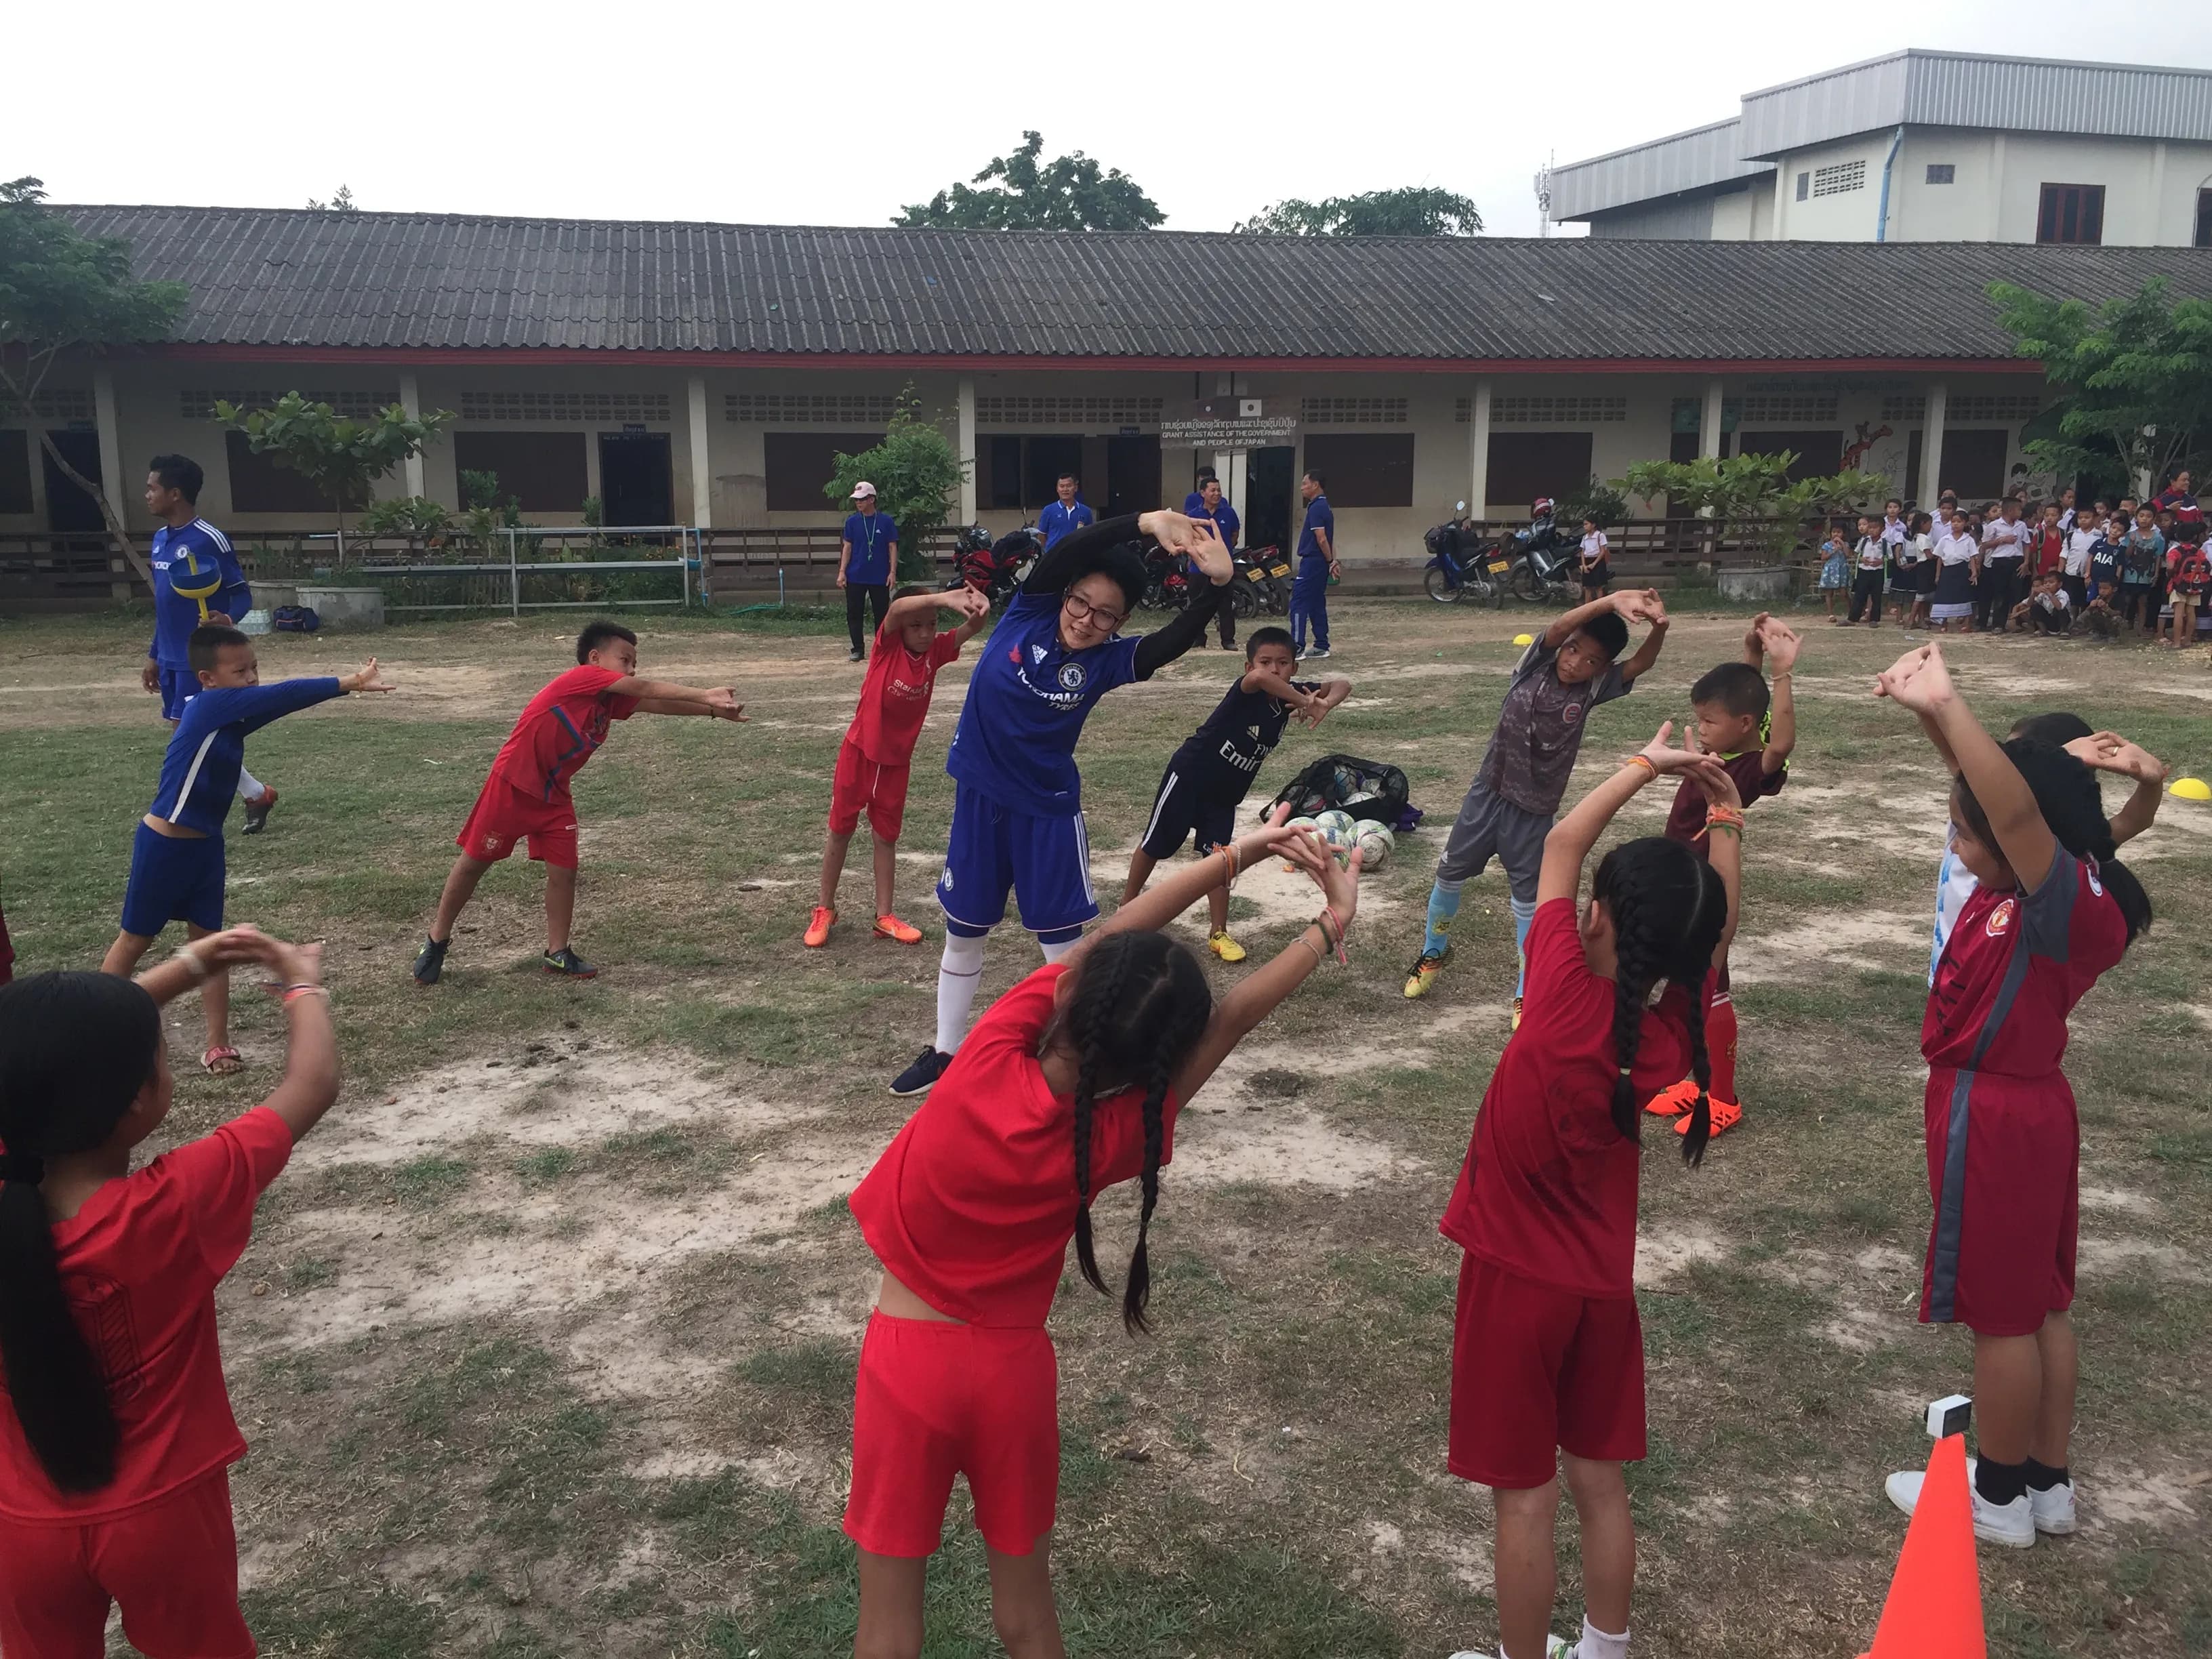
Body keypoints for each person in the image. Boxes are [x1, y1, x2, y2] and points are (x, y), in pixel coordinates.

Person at [845, 811, 1359, 1659]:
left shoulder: (989, 1052)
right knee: (1028, 1617)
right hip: (1013, 1376)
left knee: (890, 1628)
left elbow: (1121, 930)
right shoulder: (1122, 1135)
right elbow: (1228, 1021)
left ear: (1071, 994)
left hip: (907, 1363)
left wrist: (1240, 852)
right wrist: (1331, 921)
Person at [1438, 726, 1740, 1659]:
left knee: (1523, 1495)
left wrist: (1651, 762)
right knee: (1599, 1482)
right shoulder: (1672, 1038)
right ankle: (1603, 1652)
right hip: (1603, 1293)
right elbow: (1715, 927)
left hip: (1513, 1287)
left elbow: (1562, 844)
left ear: (1599, 919)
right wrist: (1725, 813)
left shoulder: (1561, 982)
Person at [1873, 646, 2151, 1549]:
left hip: (1993, 1117)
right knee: (2040, 1307)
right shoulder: (2070, 878)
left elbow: (2008, 806)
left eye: (1965, 833)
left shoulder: (2058, 898)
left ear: (2018, 837)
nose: (1956, 843)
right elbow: (1994, 795)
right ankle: (2043, 1481)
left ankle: (1993, 1498)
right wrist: (1928, 710)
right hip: (2031, 1109)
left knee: (2001, 1317)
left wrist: (1950, 701)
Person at [0, 926, 337, 1658]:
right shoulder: (174, 1207)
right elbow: (311, 1085)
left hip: (19, 1529)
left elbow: (44, 1057)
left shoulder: (17, 1137)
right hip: (164, 1519)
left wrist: (187, 968)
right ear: (137, 1103)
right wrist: (300, 981)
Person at [890, 508, 1231, 1099]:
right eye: (1081, 603)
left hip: (1045, 815)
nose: (1087, 620)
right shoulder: (1029, 610)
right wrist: (1146, 522)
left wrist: (1220, 584)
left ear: (1119, 623)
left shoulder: (1105, 661)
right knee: (964, 931)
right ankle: (945, 1052)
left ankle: (1080, 1063)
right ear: (1065, 594)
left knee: (1065, 951)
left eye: (1106, 615)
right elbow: (1073, 548)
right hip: (978, 800)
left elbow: (1174, 640)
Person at [99, 627, 394, 1076]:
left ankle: (217, 1045)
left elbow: (284, 700)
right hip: (164, 846)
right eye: (241, 671)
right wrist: (350, 682)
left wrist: (340, 692)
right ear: (208, 678)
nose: (253, 678)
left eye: (255, 668)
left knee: (209, 947)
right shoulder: (209, 707)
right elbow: (284, 693)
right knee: (135, 941)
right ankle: (87, 1025)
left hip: (205, 850)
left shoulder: (228, 714)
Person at [411, 620, 743, 985]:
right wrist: (704, 694)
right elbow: (646, 687)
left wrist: (713, 712)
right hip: (513, 787)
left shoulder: (607, 699)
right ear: (595, 658)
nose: (632, 669)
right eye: (625, 660)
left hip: (554, 795)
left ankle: (558, 953)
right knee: (475, 863)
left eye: (635, 663)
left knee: (564, 872)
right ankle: (437, 939)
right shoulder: (580, 678)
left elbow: (652, 701)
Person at [1404, 590, 1671, 1023]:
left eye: (1589, 660)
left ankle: (1527, 990)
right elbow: (1564, 624)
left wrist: (1660, 629)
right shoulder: (1534, 664)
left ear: (1601, 670)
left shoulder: (1594, 689)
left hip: (1534, 814)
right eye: (1573, 650)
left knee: (1527, 901)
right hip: (1486, 795)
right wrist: (1609, 602)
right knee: (1450, 873)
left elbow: (1643, 664)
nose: (1574, 662)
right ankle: (1433, 954)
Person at [1643, 617, 1798, 1141]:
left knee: (1712, 989)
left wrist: (1782, 674)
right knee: (1687, 984)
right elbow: (1742, 700)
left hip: (1708, 893)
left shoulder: (1751, 766)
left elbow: (1778, 743)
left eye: (1709, 722)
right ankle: (1695, 1081)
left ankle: (1722, 1098)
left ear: (1742, 724)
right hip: (1678, 883)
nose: (1701, 729)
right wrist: (1748, 653)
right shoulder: (1724, 744)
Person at [1122, 626, 1350, 962]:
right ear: (1249, 667)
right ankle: (1125, 910)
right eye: (1266, 662)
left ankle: (1219, 933)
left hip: (1225, 795)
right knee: (1156, 844)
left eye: (1284, 663)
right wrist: (1303, 701)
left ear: (1295, 668)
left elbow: (1343, 684)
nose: (1275, 670)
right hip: (1189, 778)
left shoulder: (1291, 691)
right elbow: (1260, 680)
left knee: (1220, 861)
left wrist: (1324, 702)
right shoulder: (1248, 688)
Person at [808, 586, 994, 950]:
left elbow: (971, 629)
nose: (925, 633)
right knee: (840, 831)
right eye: (917, 626)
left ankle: (884, 917)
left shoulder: (935, 652)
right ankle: (825, 908)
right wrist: (942, 598)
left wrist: (979, 610)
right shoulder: (886, 648)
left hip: (896, 765)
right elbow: (895, 610)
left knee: (886, 838)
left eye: (932, 625)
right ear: (902, 629)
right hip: (859, 755)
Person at [138, 456, 281, 836]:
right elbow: (165, 606)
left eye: (152, 488)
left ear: (175, 493)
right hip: (169, 658)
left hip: (198, 658)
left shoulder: (208, 538)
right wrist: (154, 655)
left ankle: (184, 808)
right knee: (185, 731)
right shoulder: (159, 540)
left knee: (193, 733)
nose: (147, 495)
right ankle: (255, 793)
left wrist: (227, 619)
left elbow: (241, 595)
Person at [839, 483, 899, 663]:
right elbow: (847, 547)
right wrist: (842, 572)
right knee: (854, 613)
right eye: (856, 499)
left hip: (879, 575)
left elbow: (892, 546)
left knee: (881, 613)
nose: (858, 502)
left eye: (862, 499)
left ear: (871, 499)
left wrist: (892, 572)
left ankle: (881, 648)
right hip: (855, 574)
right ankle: (857, 649)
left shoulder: (886, 521)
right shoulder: (852, 522)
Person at [1290, 471, 1337, 661]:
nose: (1302, 487)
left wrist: (1329, 561)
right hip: (1320, 562)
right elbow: (1330, 539)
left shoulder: (1317, 508)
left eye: (1304, 483)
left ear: (1315, 485)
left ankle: (1297, 647)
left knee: (1298, 602)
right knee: (1317, 602)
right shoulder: (1323, 506)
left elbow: (1322, 537)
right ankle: (1321, 645)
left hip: (1313, 562)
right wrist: (1333, 560)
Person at [1193, 476, 1243, 649]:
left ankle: (1228, 641)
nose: (1217, 493)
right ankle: (1198, 638)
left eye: (1219, 490)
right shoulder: (1194, 515)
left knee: (1225, 605)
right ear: (1203, 493)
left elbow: (1235, 533)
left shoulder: (1228, 512)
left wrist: (1225, 550)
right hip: (1198, 569)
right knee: (1197, 605)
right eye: (1212, 490)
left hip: (1223, 569)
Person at [1976, 497, 2028, 632]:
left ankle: (2015, 623)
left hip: (2017, 560)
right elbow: (1985, 544)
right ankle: (1998, 624)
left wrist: (2026, 562)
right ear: (2010, 510)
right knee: (2001, 593)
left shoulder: (2021, 525)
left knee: (2016, 593)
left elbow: (2026, 544)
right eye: (2019, 510)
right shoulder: (1994, 526)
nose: (2021, 512)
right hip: (2001, 561)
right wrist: (2001, 540)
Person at [1929, 506, 1981, 634]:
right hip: (1948, 571)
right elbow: (1940, 559)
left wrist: (1974, 572)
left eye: (1959, 521)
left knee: (1964, 595)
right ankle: (1944, 623)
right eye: (1953, 522)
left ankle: (1967, 624)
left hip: (1962, 570)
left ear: (1965, 523)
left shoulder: (1968, 539)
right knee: (1945, 596)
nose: (1956, 524)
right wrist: (1937, 575)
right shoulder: (1945, 539)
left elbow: (1972, 557)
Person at [2118, 508, 2163, 637]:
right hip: (2129, 574)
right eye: (2142, 516)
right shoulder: (2130, 535)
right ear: (2136, 518)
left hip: (2147, 575)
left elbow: (2158, 557)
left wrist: (2156, 574)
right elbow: (2126, 555)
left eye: (2148, 516)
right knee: (2126, 600)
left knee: (2143, 602)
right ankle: (2121, 626)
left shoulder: (2158, 538)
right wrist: (2132, 543)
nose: (2145, 519)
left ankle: (2141, 629)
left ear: (2154, 519)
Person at [2165, 535, 2208, 649]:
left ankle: (2177, 642)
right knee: (2191, 613)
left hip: (2179, 586)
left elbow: (2170, 567)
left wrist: (2171, 576)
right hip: (2195, 585)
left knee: (2178, 614)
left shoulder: (2175, 552)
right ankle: (2188, 640)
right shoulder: (2199, 552)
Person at [1036, 472, 1094, 551]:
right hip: (1054, 557)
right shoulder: (1048, 510)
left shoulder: (1086, 511)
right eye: (1062, 486)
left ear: (1076, 488)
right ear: (1057, 489)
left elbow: (1089, 535)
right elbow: (1042, 536)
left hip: (1077, 556)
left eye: (1069, 486)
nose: (1065, 489)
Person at [1847, 512, 1887, 626]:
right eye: (1870, 528)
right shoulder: (1864, 541)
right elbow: (1856, 554)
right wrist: (1862, 559)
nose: (1872, 530)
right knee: (1860, 595)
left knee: (1876, 596)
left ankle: (1874, 619)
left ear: (1882, 529)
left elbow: (1889, 558)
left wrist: (1881, 561)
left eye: (1875, 528)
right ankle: (1852, 618)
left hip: (1878, 571)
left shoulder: (1884, 543)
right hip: (1864, 571)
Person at [2011, 569, 2072, 636]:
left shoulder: (2063, 594)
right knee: (2035, 607)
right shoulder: (2043, 594)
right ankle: (2043, 630)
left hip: (2061, 621)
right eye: (2045, 583)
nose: (2048, 585)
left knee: (2060, 610)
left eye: (2051, 582)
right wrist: (2033, 594)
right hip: (2049, 620)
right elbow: (2029, 605)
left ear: (2059, 584)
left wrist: (2050, 594)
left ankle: (2064, 631)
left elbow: (2060, 607)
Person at [1817, 522, 1850, 621]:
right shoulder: (1827, 545)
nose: (1836, 534)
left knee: (1844, 593)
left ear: (1843, 534)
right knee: (1829, 593)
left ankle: (1852, 611)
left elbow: (1848, 555)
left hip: (1842, 570)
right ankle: (1830, 614)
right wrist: (1833, 551)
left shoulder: (1846, 544)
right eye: (1834, 532)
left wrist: (1842, 544)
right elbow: (1823, 557)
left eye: (1839, 532)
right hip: (1831, 571)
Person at [1576, 516, 1610, 600]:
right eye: (1584, 524)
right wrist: (1584, 565)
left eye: (1586, 524)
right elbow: (1583, 552)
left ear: (1593, 525)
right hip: (1588, 560)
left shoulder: (1600, 536)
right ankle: (1587, 606)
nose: (1585, 526)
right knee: (1587, 586)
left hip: (1598, 561)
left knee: (1598, 586)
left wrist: (1594, 564)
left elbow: (1602, 551)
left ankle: (1599, 607)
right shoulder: (1585, 537)